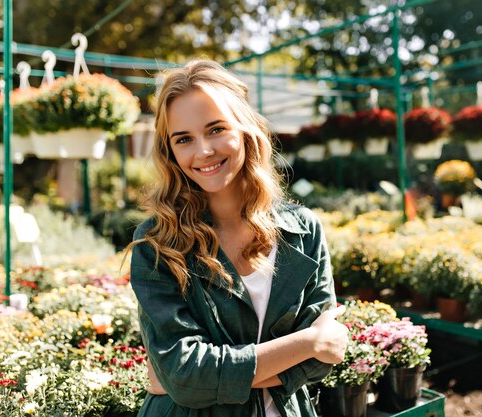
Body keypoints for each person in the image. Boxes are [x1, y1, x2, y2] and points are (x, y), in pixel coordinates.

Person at [129, 59, 348, 417]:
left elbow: (324, 360)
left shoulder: (303, 230)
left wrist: (203, 379)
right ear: (171, 152)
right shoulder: (158, 243)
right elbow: (183, 376)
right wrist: (306, 342)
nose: (203, 151)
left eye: (216, 129)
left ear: (244, 129)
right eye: (184, 139)